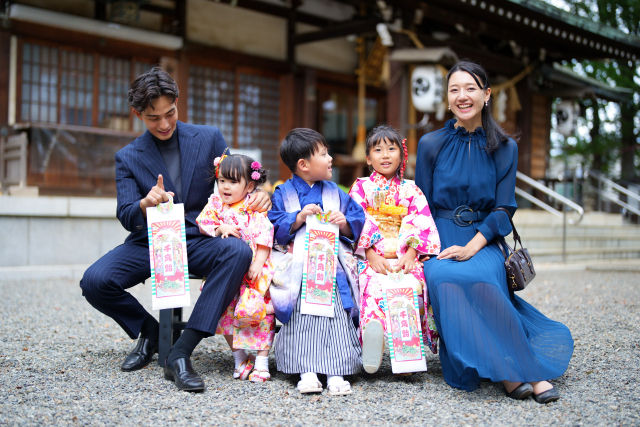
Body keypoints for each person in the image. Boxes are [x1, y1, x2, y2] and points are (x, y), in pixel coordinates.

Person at [79, 67, 271, 393]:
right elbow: (125, 215)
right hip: (151, 240)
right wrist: (143, 204)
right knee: (95, 281)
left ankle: (182, 351)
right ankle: (153, 334)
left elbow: (238, 179)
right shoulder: (127, 157)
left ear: (178, 103)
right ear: (137, 114)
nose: (165, 124)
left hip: (200, 238)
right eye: (154, 118)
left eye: (170, 113)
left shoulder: (209, 138)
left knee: (237, 250)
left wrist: (261, 193)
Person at [415, 60, 573, 403]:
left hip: (484, 235)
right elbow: (420, 203)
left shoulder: (505, 147)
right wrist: (420, 246)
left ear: (486, 95)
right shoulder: (430, 144)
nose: (462, 96)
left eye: (470, 88)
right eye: (454, 89)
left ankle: (522, 368)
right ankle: (511, 372)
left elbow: (504, 207)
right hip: (439, 235)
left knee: (483, 277)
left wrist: (473, 245)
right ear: (447, 98)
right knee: (444, 276)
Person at [268, 128, 365, 396]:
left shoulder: (336, 193)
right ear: (303, 165)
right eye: (324, 154)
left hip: (331, 270)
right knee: (302, 317)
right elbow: (274, 224)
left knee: (336, 317)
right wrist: (297, 218)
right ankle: (307, 372)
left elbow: (357, 220)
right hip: (299, 272)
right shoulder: (284, 194)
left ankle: (336, 372)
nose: (331, 158)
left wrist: (344, 223)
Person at [348, 125, 441, 374]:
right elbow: (356, 221)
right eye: (378, 150)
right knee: (372, 286)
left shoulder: (412, 190)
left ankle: (406, 356)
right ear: (368, 158)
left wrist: (411, 254)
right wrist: (369, 253)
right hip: (372, 257)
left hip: (404, 257)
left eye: (391, 149)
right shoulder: (360, 188)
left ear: (401, 155)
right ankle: (373, 346)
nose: (385, 155)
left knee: (413, 287)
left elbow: (421, 223)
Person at [196, 153, 275, 383]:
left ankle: (261, 361)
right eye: (222, 181)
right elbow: (204, 222)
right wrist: (221, 226)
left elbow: (264, 232)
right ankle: (239, 358)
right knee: (226, 312)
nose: (225, 187)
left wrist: (259, 262)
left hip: (253, 269)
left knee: (259, 312)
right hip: (227, 270)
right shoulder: (215, 204)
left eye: (233, 182)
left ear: (249, 185)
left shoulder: (254, 204)